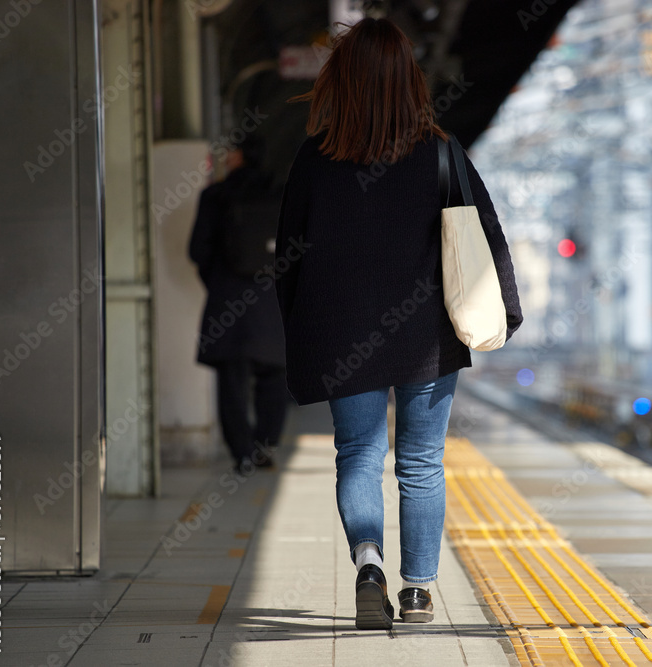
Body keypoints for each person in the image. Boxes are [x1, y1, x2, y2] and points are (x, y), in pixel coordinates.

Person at [275, 18, 522, 630]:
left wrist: (303, 331)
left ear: (344, 82)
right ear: (411, 82)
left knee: (358, 454)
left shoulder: (315, 160)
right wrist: (503, 313)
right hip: (426, 338)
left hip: (341, 332)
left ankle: (367, 564)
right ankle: (416, 593)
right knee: (421, 462)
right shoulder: (440, 152)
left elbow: (288, 258)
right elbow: (485, 240)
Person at [189, 135, 290, 473]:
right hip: (270, 301)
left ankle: (242, 452)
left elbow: (197, 252)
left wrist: (218, 280)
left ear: (237, 157)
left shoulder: (215, 196)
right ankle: (265, 446)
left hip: (228, 299)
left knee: (232, 378)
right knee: (273, 375)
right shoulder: (281, 195)